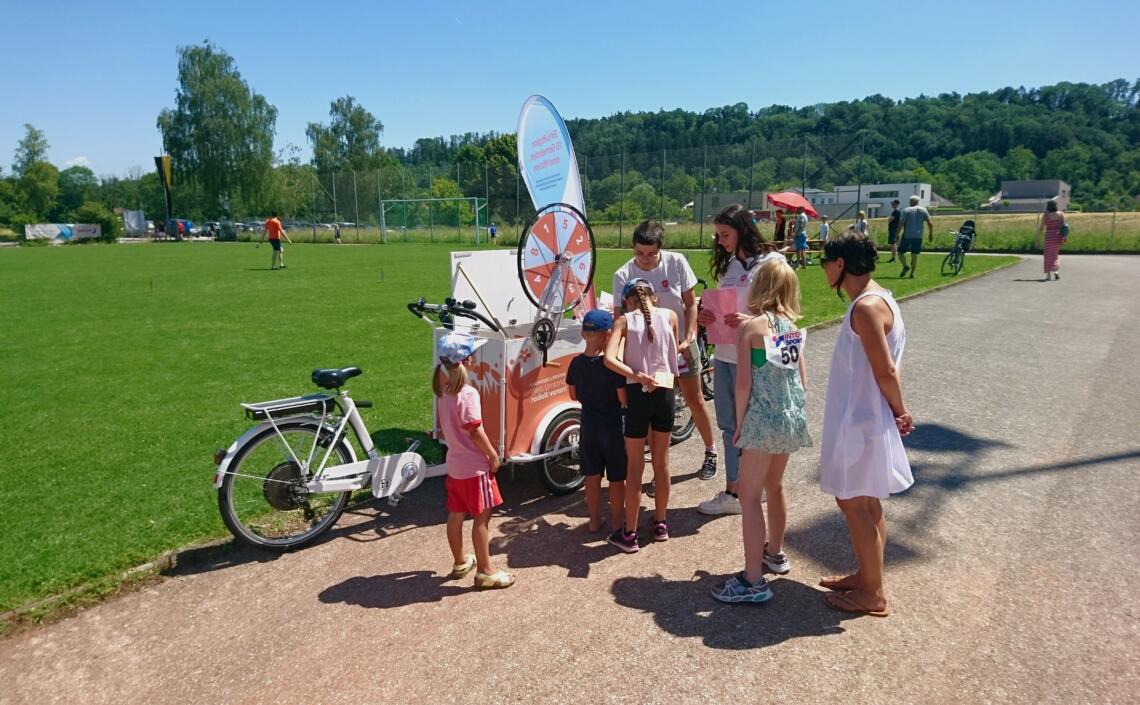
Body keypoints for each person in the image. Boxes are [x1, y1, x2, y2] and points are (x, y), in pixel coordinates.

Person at [817, 232, 914, 617]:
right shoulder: (879, 299)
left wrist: (900, 409)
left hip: (860, 418)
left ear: (840, 264)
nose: (823, 268)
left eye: (826, 261)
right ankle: (867, 575)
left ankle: (873, 592)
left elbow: (886, 368)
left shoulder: (866, 308)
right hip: (864, 415)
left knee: (853, 501)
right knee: (866, 499)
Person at [711, 259, 811, 603]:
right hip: (788, 419)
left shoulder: (753, 328)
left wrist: (740, 426)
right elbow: (802, 380)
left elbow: (743, 385)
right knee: (776, 485)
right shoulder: (791, 328)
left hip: (761, 420)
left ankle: (753, 580)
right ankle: (775, 552)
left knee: (750, 496)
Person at [612, 220, 718, 488]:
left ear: (661, 249)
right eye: (639, 254)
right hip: (647, 356)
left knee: (694, 398)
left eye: (651, 254)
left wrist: (689, 335)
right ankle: (659, 473)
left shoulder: (677, 262)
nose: (645, 260)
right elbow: (619, 318)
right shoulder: (622, 274)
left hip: (680, 345)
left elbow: (690, 303)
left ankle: (710, 451)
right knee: (652, 410)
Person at [697, 204, 783, 516]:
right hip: (724, 355)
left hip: (758, 356)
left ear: (743, 229)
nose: (720, 241)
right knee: (730, 424)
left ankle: (749, 488)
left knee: (756, 423)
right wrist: (706, 316)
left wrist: (750, 319)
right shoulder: (728, 268)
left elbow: (785, 312)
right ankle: (735, 488)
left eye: (725, 234)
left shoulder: (773, 264)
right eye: (718, 235)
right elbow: (720, 309)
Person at [433, 331, 515, 589]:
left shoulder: (442, 390)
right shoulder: (467, 393)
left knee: (456, 514)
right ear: (467, 360)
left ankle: (459, 561)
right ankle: (485, 570)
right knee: (482, 518)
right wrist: (492, 455)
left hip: (455, 465)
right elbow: (475, 429)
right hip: (474, 467)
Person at [604, 279, 679, 552]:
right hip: (665, 390)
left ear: (627, 301)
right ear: (653, 297)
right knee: (662, 462)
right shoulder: (670, 316)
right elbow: (674, 353)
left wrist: (634, 373)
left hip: (638, 392)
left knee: (635, 466)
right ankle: (661, 523)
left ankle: (629, 533)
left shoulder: (624, 322)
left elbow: (608, 359)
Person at [566, 309, 628, 538]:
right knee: (616, 477)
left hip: (588, 424)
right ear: (608, 334)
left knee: (592, 477)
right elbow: (623, 398)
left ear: (583, 334)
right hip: (611, 425)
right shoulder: (612, 366)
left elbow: (573, 394)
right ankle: (616, 523)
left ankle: (593, 520)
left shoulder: (575, 363)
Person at [897, 195, 933, 278]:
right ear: (918, 202)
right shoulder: (924, 210)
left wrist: (897, 234)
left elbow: (901, 223)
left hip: (907, 235)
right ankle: (912, 273)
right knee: (914, 255)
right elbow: (930, 223)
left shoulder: (906, 210)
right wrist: (930, 234)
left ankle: (905, 266)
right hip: (918, 236)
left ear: (911, 201)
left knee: (900, 252)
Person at [1036, 199, 1067, 281]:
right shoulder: (1061, 214)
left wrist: (1039, 236)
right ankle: (1056, 271)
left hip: (1049, 236)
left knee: (1048, 255)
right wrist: (1065, 237)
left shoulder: (1046, 215)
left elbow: (1042, 227)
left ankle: (1048, 274)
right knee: (1055, 254)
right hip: (1058, 236)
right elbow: (1064, 226)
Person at [885, 199, 901, 263]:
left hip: (893, 229)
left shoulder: (896, 212)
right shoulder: (896, 211)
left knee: (893, 244)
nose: (892, 205)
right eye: (892, 204)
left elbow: (889, 220)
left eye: (893, 204)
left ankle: (894, 258)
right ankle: (893, 258)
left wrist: (889, 218)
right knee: (892, 244)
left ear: (897, 204)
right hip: (894, 229)